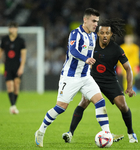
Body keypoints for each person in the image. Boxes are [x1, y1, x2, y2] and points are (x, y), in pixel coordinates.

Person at [35, 8, 111, 148]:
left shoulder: (93, 36)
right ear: (85, 20)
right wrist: (86, 59)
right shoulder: (75, 34)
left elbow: (95, 53)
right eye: (93, 21)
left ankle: (107, 134)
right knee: (61, 107)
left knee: (100, 101)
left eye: (97, 22)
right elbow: (73, 51)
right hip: (70, 77)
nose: (96, 24)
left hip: (85, 76)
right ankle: (41, 131)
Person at [62, 18, 138, 143]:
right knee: (84, 102)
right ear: (97, 33)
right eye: (102, 33)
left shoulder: (116, 49)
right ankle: (70, 133)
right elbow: (76, 54)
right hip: (92, 79)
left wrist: (129, 87)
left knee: (123, 106)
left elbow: (128, 69)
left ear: (111, 34)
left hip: (110, 80)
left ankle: (131, 133)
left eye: (107, 33)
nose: (104, 35)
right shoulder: (91, 44)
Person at [0, 22, 27, 114]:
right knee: (10, 86)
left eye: (14, 28)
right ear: (9, 29)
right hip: (7, 66)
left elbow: (24, 55)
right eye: (11, 28)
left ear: (17, 29)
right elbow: (0, 52)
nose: (13, 30)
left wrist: (22, 67)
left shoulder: (21, 41)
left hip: (17, 66)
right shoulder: (4, 40)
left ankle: (13, 106)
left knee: (16, 86)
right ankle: (13, 106)